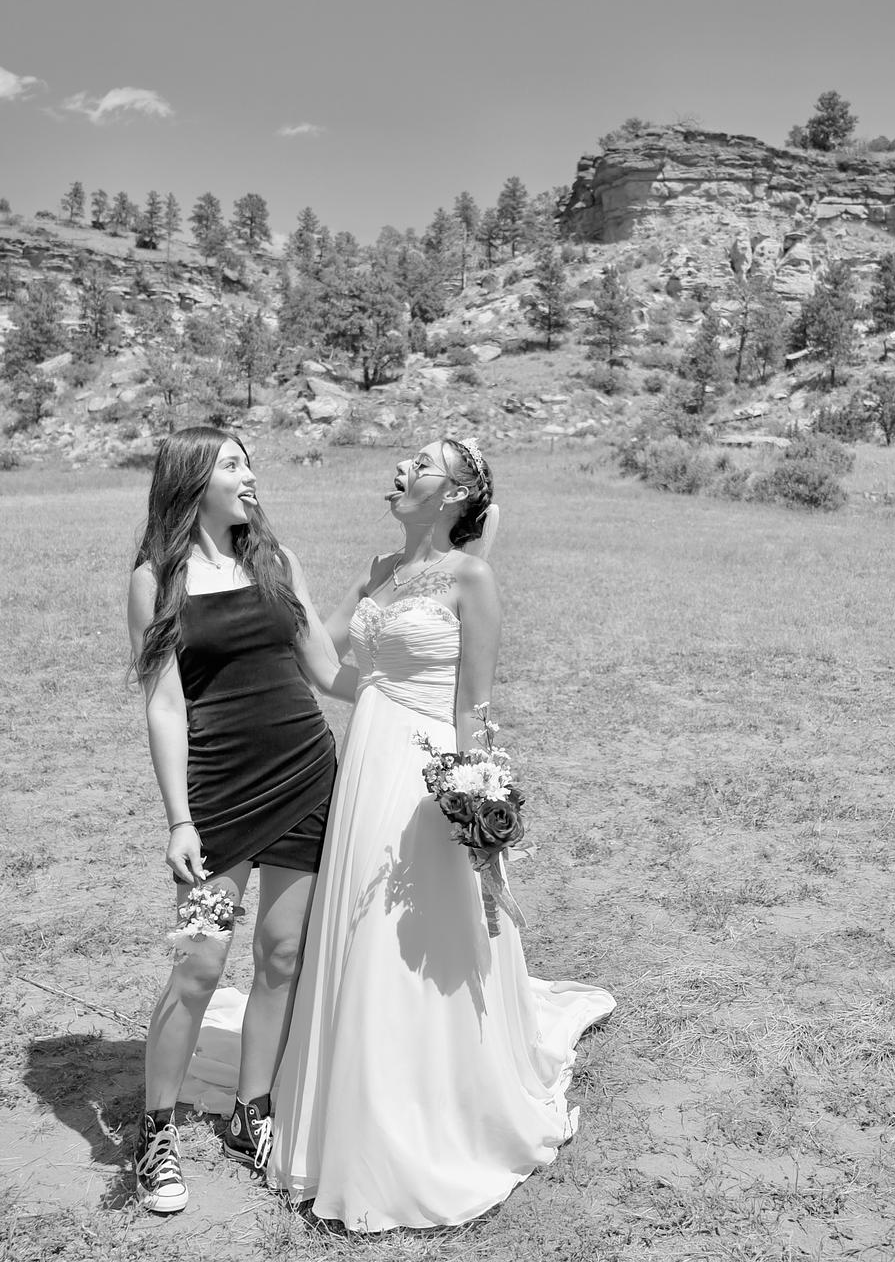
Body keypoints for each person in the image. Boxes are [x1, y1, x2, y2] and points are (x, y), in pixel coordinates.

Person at [264, 436, 615, 1230]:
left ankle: (424, 1109)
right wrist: (291, 585)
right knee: (357, 928)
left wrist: (474, 801)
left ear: (455, 495)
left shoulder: (470, 579)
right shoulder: (379, 570)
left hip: (424, 777)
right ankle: (347, 1100)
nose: (401, 469)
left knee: (408, 930)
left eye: (421, 466)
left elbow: (473, 707)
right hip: (363, 768)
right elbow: (329, 671)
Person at [127, 426, 351, 1214]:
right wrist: (179, 821)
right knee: (198, 963)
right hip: (218, 800)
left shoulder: (277, 560)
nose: (250, 475)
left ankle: (251, 1111)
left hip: (305, 779)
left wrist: (416, 655)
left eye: (249, 462)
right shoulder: (157, 580)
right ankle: (154, 1134)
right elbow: (165, 705)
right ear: (193, 480)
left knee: (282, 954)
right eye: (232, 464)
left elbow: (326, 669)